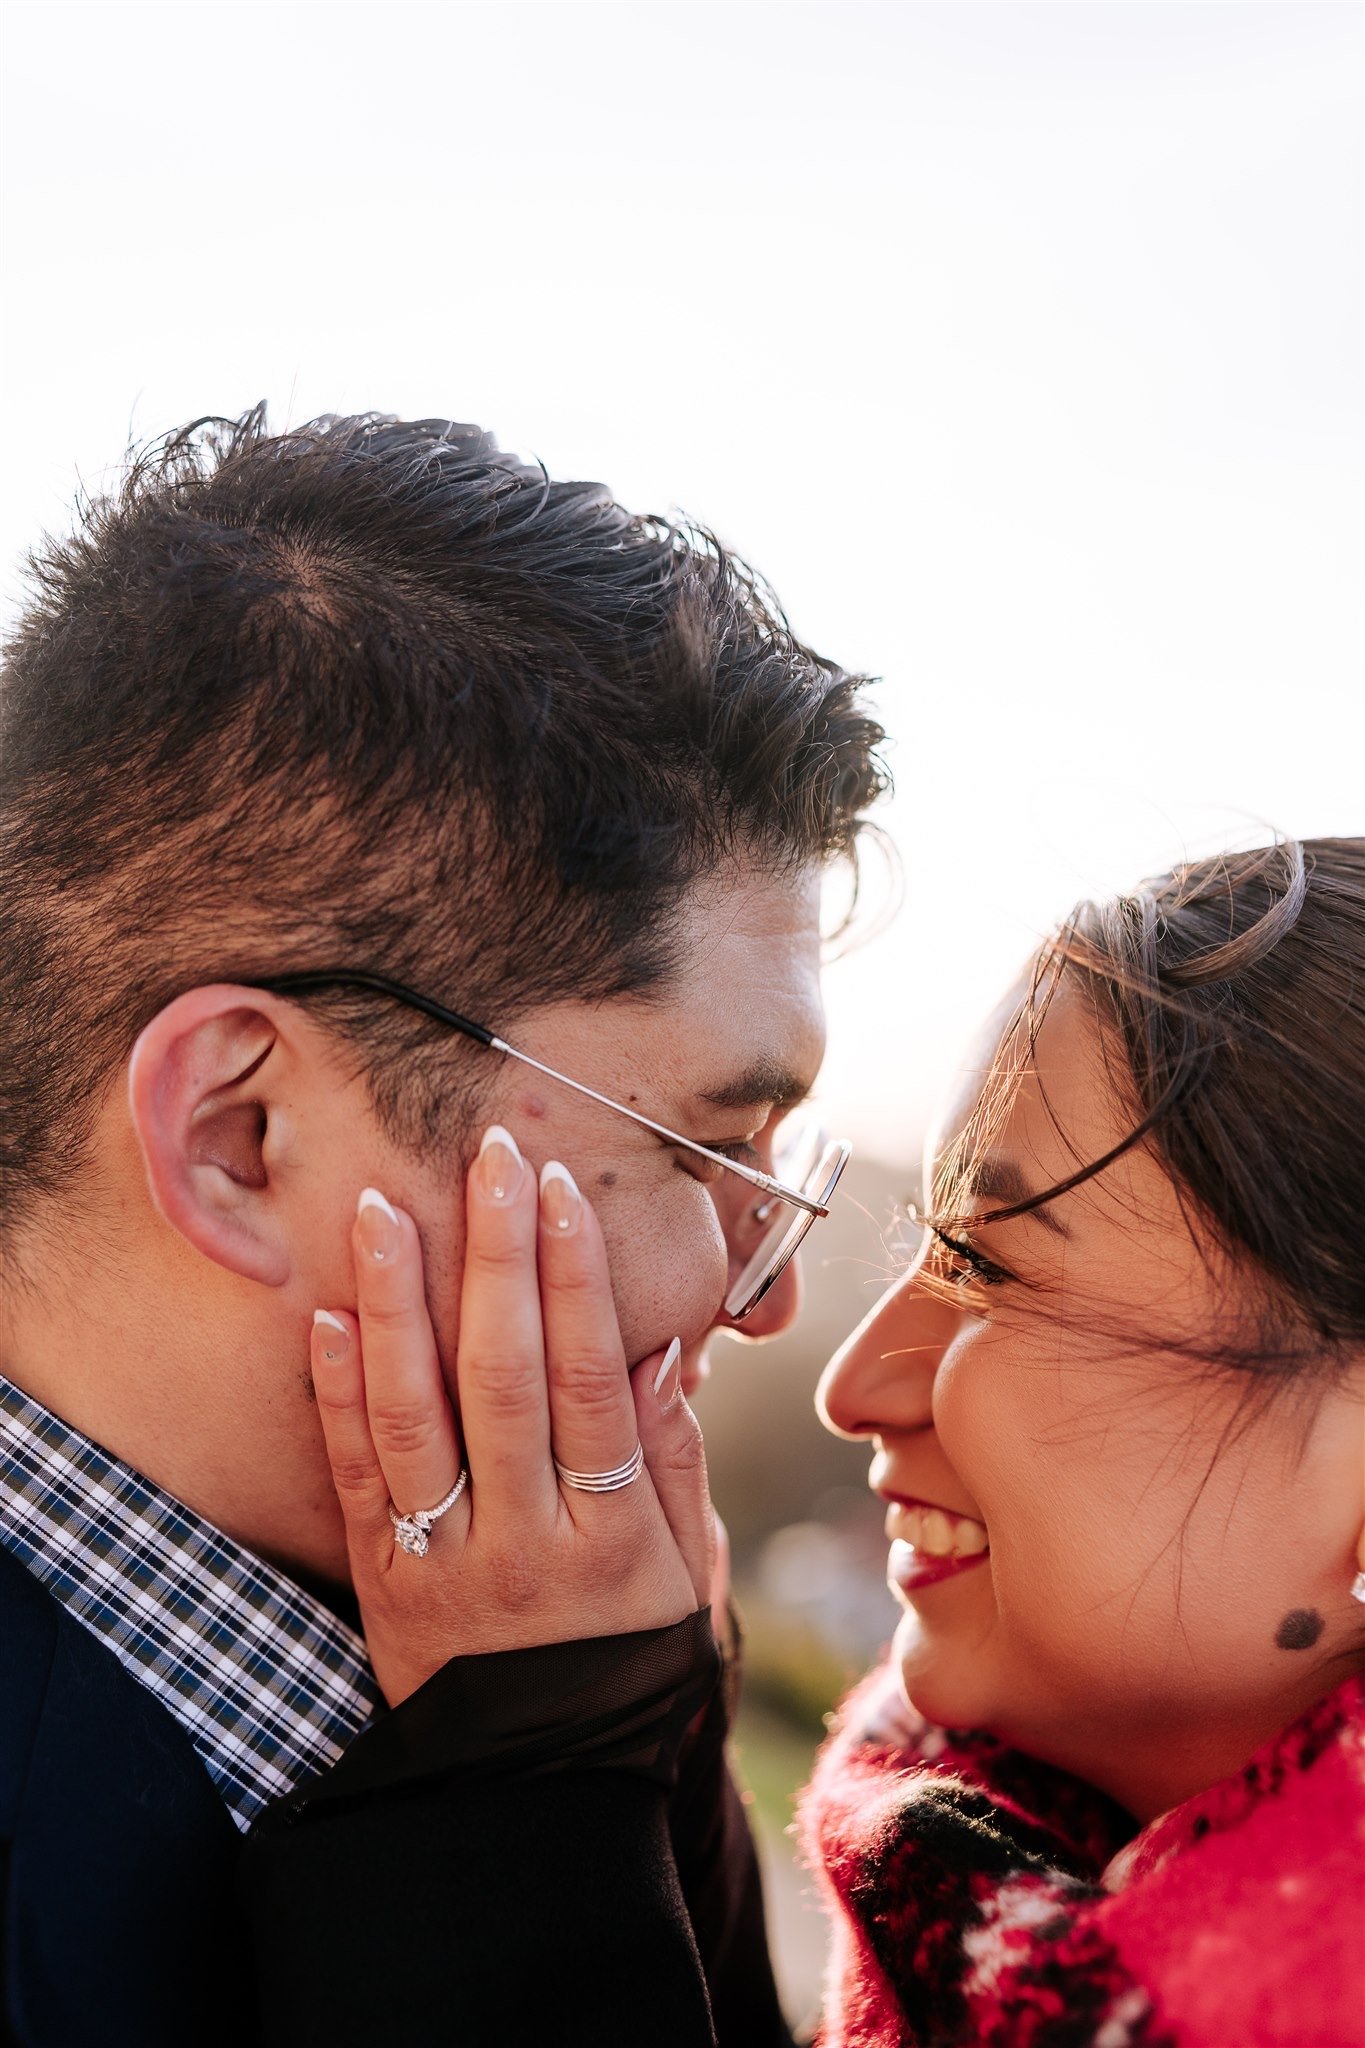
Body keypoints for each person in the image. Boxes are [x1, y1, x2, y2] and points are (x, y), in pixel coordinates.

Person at [0, 408, 886, 2046]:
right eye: (706, 1144)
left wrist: (630, 1783)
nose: (771, 1306)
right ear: (238, 1138)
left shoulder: (555, 1674)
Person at [256, 838, 1365, 2047]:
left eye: (988, 1269)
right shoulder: (978, 1885)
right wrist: (631, 1763)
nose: (850, 1383)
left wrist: (523, 1813)